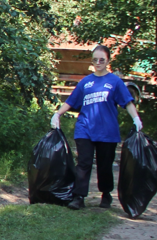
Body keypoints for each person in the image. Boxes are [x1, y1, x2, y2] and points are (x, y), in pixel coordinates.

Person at [51, 44, 142, 210]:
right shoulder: (86, 82)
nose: (98, 62)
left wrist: (136, 119)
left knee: (104, 165)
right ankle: (79, 197)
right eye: (95, 59)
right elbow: (71, 101)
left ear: (108, 60)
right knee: (84, 163)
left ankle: (106, 194)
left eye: (102, 59)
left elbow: (127, 102)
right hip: (85, 128)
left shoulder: (115, 82)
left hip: (107, 131)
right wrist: (57, 114)